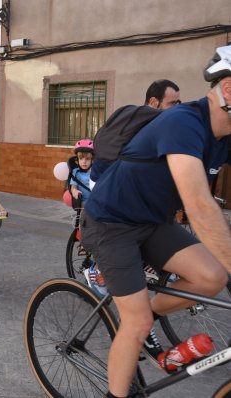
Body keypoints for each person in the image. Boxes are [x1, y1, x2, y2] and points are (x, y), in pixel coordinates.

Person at [80, 46, 231, 398]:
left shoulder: (223, 136)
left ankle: (138, 315)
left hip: (150, 222)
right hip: (109, 223)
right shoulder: (183, 122)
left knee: (212, 278)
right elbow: (198, 205)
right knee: (137, 323)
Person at [68, 139, 94, 206]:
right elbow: (73, 186)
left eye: (87, 159)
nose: (84, 161)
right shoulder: (76, 172)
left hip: (96, 202)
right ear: (77, 159)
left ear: (92, 160)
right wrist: (74, 191)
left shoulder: (96, 172)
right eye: (81, 158)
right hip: (83, 203)